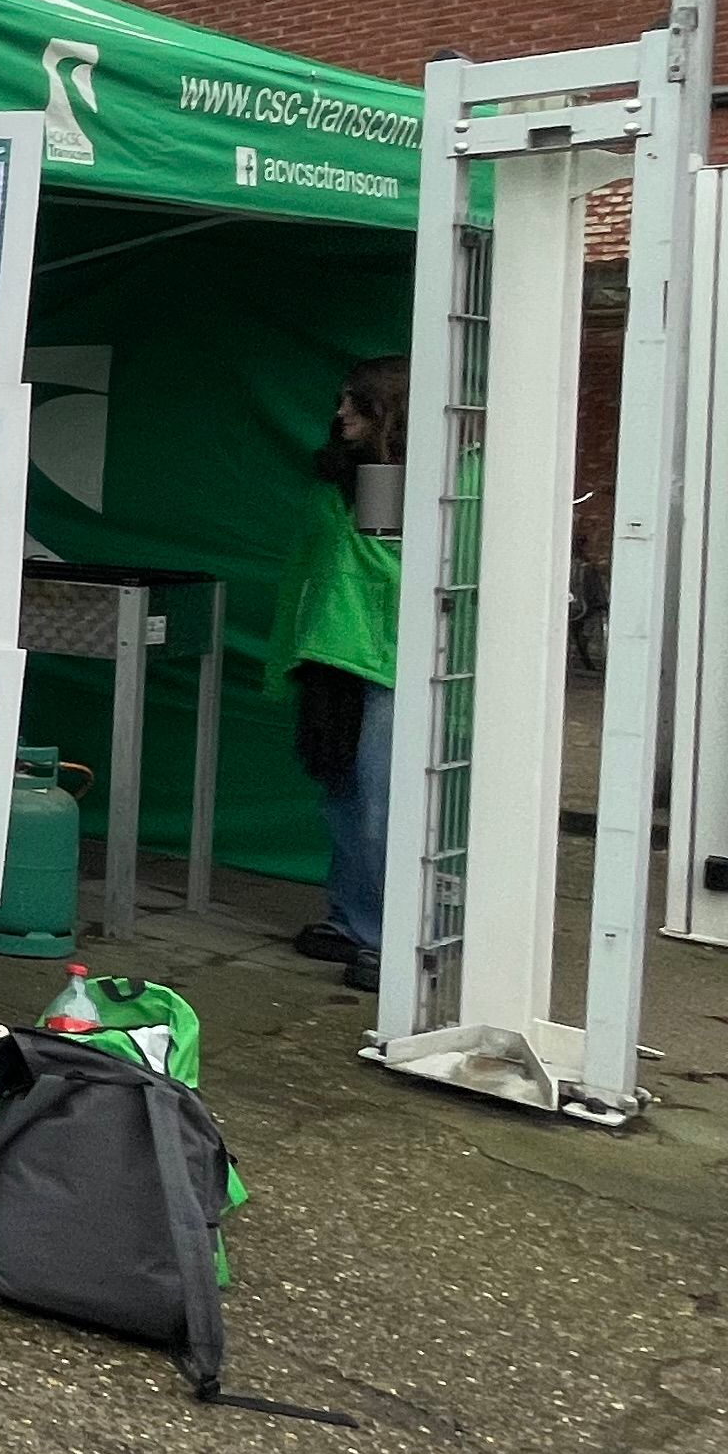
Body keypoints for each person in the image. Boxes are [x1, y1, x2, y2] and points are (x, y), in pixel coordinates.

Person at [270, 355, 407, 997]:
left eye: (357, 402)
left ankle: (395, 939)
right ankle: (354, 921)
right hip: (332, 655)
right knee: (344, 796)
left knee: (383, 805)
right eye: (342, 399)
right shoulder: (334, 477)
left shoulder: (442, 477)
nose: (340, 413)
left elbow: (391, 569)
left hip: (390, 661)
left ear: (391, 412)